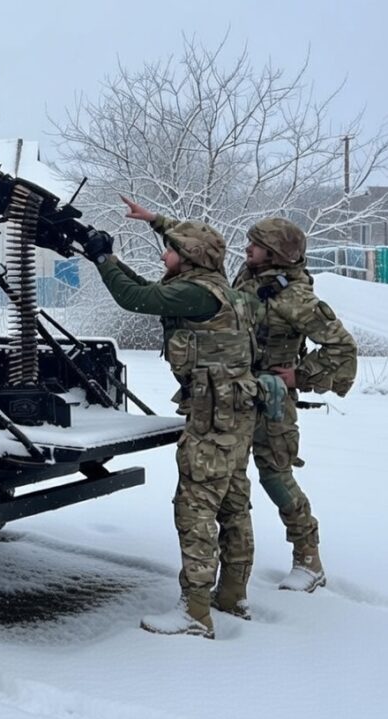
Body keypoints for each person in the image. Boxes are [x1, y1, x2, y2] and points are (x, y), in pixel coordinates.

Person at [82, 197, 259, 638]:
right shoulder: (222, 290)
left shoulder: (195, 292)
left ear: (192, 257)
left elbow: (135, 297)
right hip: (236, 414)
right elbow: (151, 288)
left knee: (195, 508)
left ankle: (194, 612)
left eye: (172, 248)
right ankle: (232, 595)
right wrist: (150, 226)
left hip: (212, 418)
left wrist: (103, 258)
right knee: (234, 503)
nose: (164, 254)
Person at [232, 218, 357, 592]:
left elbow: (343, 349)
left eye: (254, 245)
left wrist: (300, 376)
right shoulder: (248, 278)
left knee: (275, 477)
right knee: (229, 479)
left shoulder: (295, 297)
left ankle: (308, 556)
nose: (247, 249)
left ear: (274, 253)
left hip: (271, 401)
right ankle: (233, 566)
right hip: (235, 395)